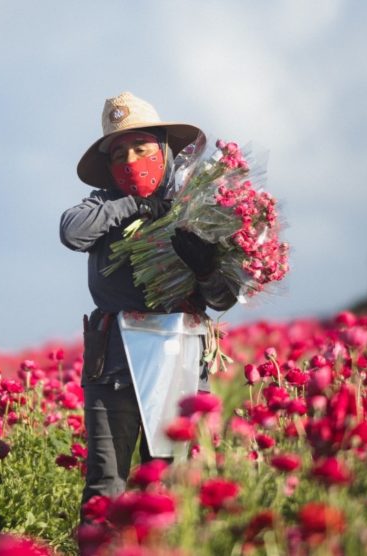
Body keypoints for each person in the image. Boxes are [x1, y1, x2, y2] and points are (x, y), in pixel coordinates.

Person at [59, 91, 237, 515]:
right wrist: (135, 203)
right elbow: (72, 233)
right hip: (113, 367)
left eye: (141, 148)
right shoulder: (103, 205)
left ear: (164, 150)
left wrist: (208, 268)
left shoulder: (197, 207)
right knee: (107, 488)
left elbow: (224, 298)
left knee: (171, 488)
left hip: (180, 359)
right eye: (120, 154)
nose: (132, 160)